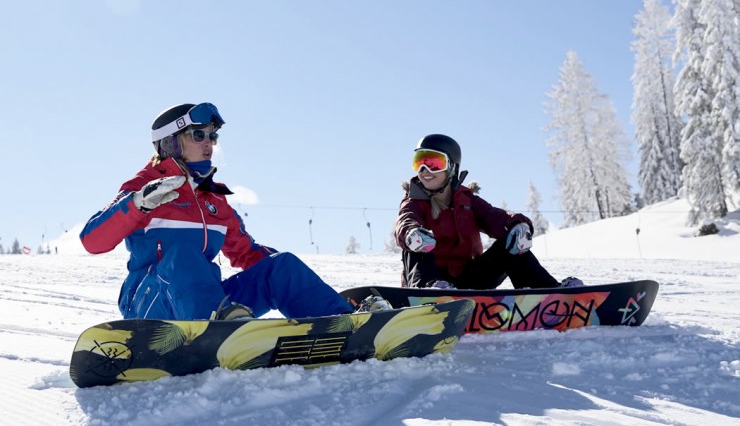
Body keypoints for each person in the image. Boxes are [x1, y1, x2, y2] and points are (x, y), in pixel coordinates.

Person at [80, 102, 360, 321]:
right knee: (182, 255)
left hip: (207, 303)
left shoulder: (211, 197)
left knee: (280, 266)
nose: (208, 143)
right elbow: (92, 241)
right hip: (150, 304)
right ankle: (218, 329)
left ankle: (337, 320)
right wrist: (137, 203)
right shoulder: (143, 187)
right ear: (171, 142)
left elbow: (247, 255)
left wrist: (298, 283)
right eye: (198, 135)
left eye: (212, 136)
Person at [394, 134, 583, 290]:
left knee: (510, 242)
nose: (425, 170)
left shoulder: (467, 200)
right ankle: (429, 292)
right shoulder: (413, 200)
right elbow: (406, 220)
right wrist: (411, 233)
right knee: (416, 245)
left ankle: (547, 292)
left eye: (434, 163)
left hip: (470, 280)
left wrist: (518, 225)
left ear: (451, 167)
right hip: (430, 280)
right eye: (419, 162)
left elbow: (495, 217)